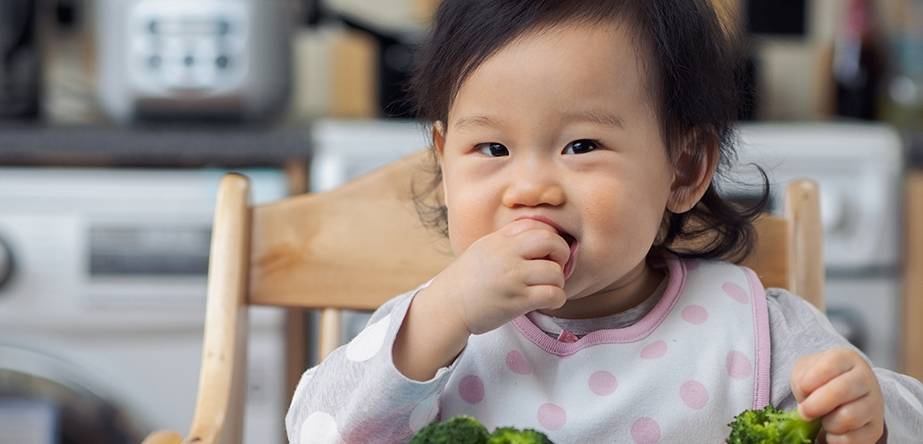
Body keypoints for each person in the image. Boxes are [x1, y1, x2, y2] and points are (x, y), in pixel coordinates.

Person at [286, 1, 923, 442]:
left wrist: (873, 415)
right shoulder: (429, 335)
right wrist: (438, 318)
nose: (529, 187)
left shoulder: (755, 330)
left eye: (581, 147)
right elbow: (315, 430)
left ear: (683, 168)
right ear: (443, 163)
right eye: (492, 150)